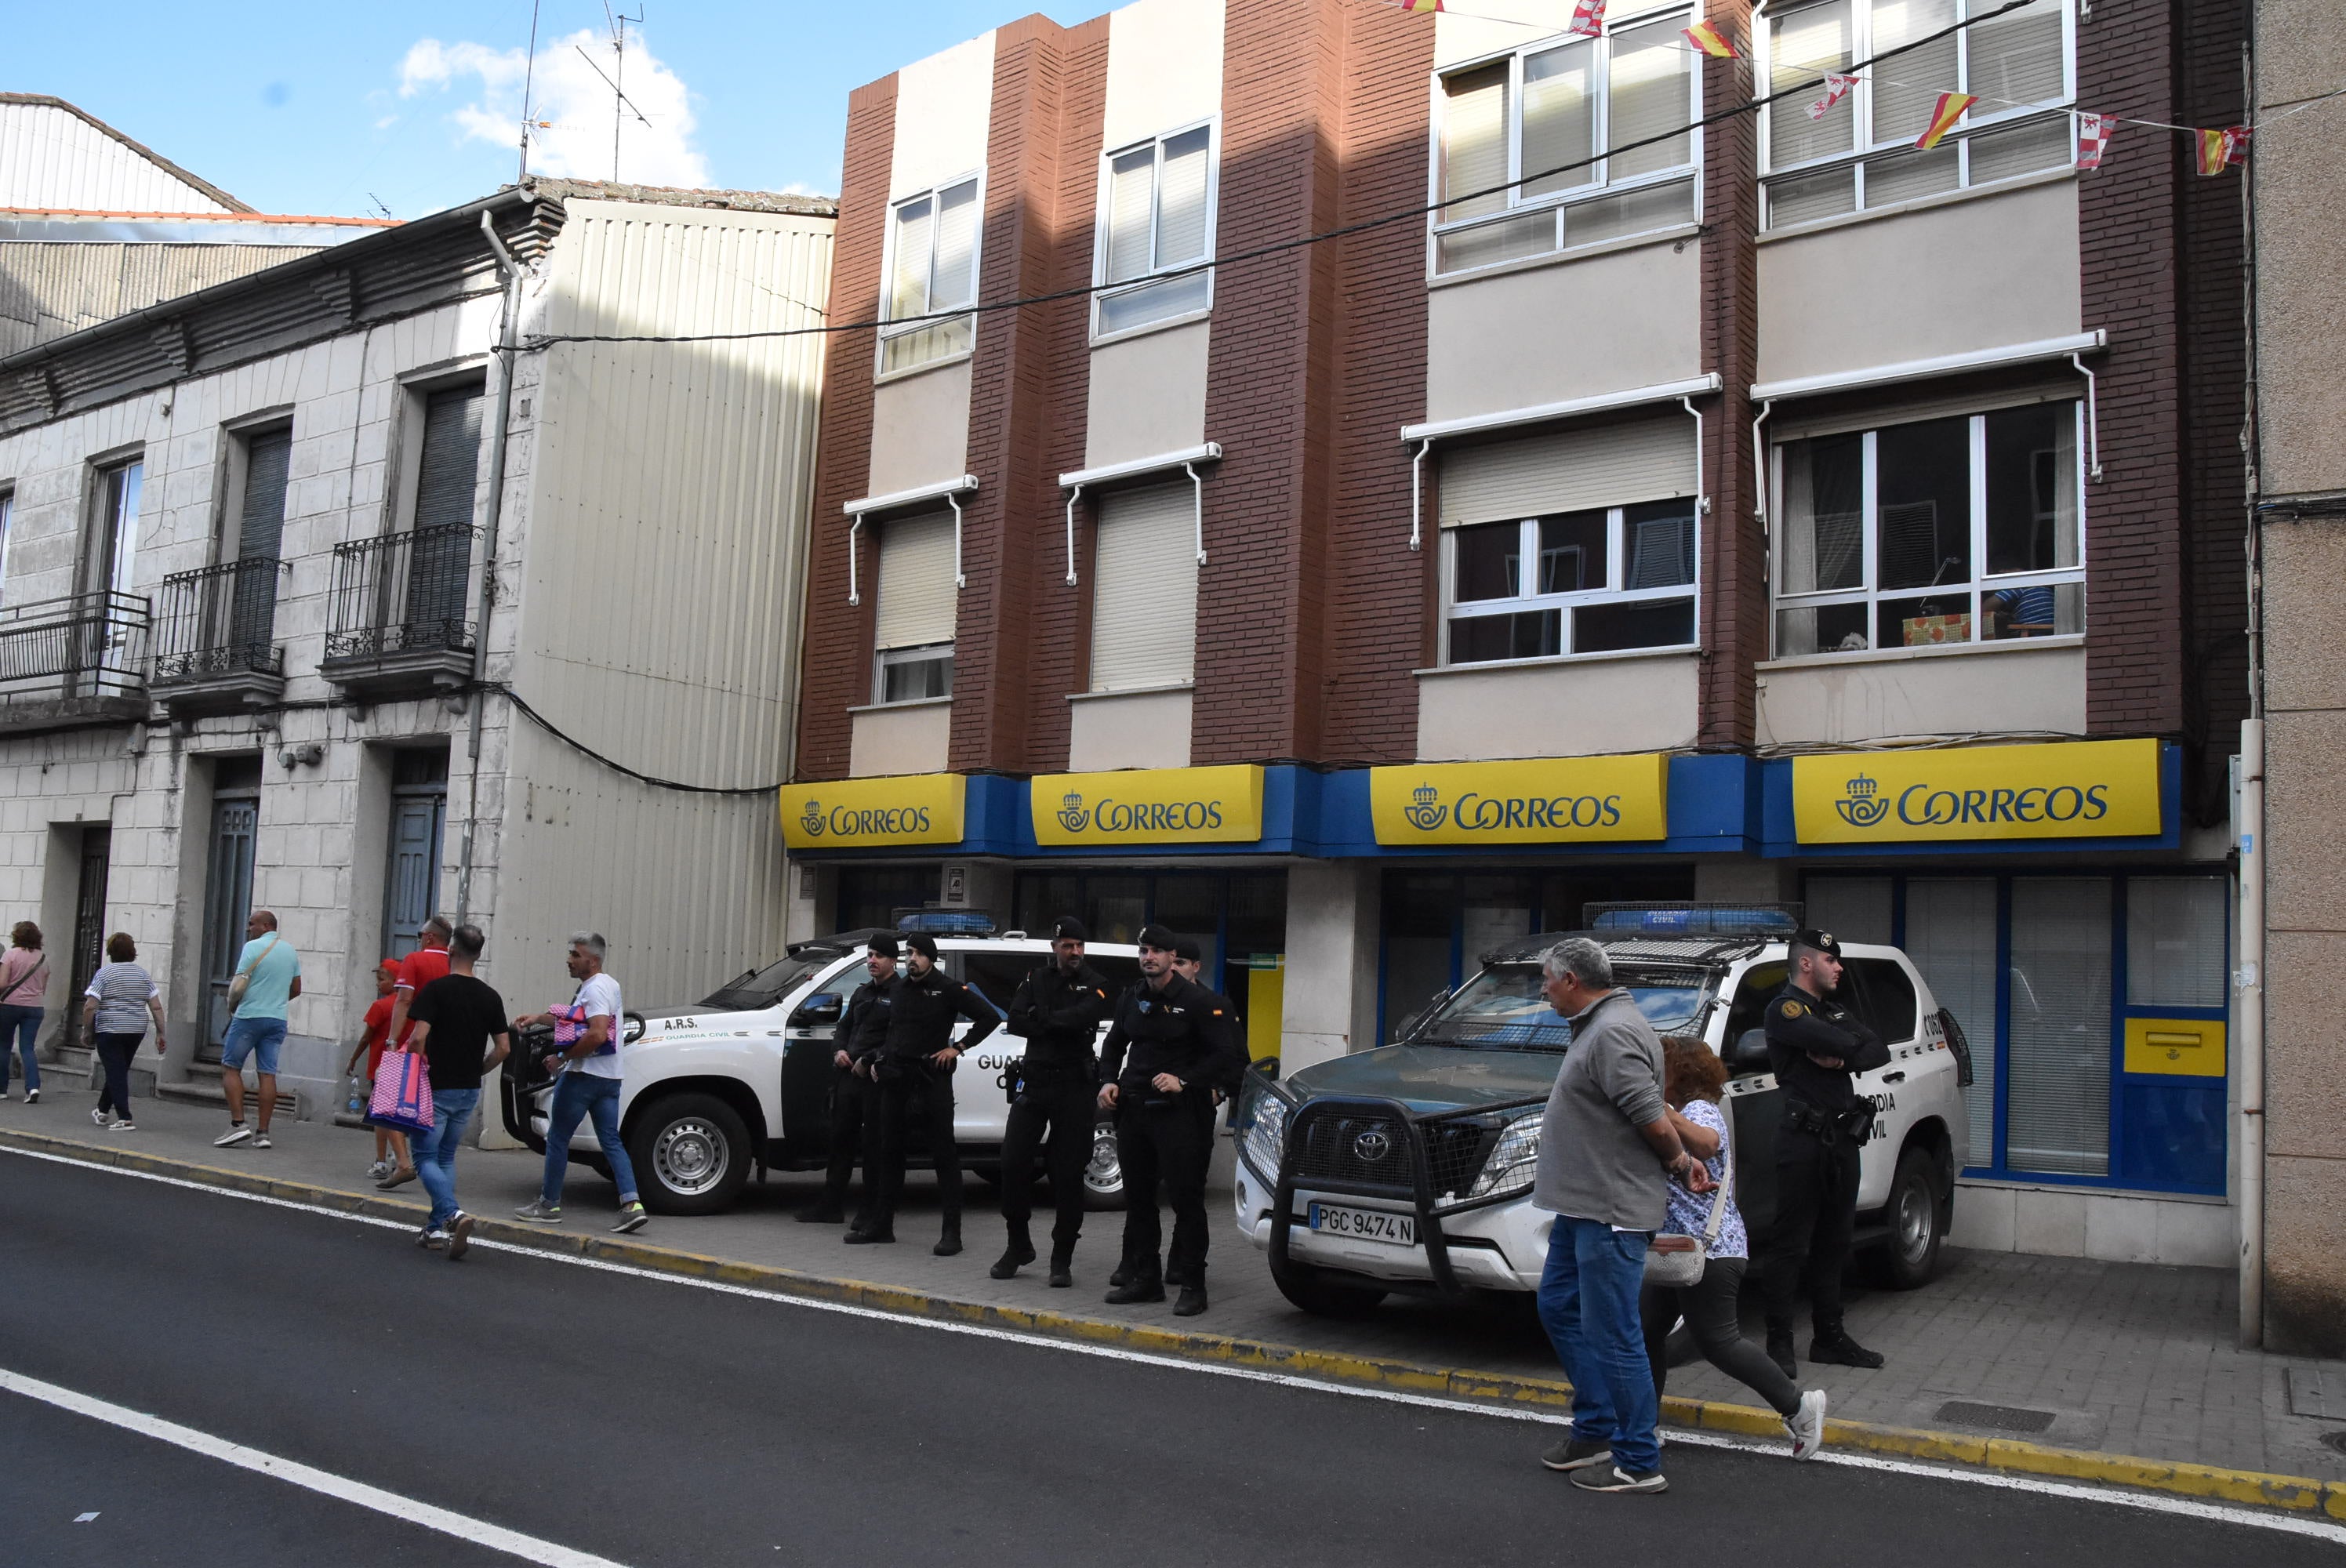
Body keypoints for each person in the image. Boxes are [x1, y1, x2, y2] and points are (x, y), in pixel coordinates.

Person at [1530, 936, 1710, 1496]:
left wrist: (1680, 1161)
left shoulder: (1613, 1032)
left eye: (1546, 979)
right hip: (1582, 1206)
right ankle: (1596, 1429)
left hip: (1611, 1211)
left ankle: (1636, 1458)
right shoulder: (1600, 1025)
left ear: (1572, 981)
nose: (1542, 989)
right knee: (1559, 1306)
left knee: (1614, 1333)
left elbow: (1651, 1117)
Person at [1639, 1036, 1828, 1462]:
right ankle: (1641, 1426)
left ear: (1680, 1075)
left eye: (1660, 1068)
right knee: (1646, 1330)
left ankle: (1800, 1407)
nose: (1653, 1076)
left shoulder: (1699, 1111)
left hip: (1711, 1251)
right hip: (1677, 1250)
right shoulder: (1680, 1113)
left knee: (1719, 1342)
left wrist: (1662, 1111)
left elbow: (1706, 1144)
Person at [1761, 928, 1891, 1377]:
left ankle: (1829, 1338)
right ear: (1805, 963)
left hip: (1842, 1140)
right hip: (1802, 1139)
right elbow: (1852, 1043)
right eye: (1831, 960)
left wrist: (1842, 1057)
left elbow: (1879, 1051)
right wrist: (1845, 1047)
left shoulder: (1833, 1010)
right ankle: (1779, 1341)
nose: (1838, 967)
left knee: (1835, 1241)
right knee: (1790, 1243)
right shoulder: (1785, 1010)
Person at [1097, 924, 1240, 1316]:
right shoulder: (1131, 998)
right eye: (1143, 950)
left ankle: (1193, 1285)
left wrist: (1185, 1079)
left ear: (1172, 959)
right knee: (1140, 1201)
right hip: (1135, 1113)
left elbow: (1226, 1056)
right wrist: (1108, 1080)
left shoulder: (1199, 1002)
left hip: (1180, 1116)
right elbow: (1113, 1045)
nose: (1148, 957)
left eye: (1157, 951)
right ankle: (1146, 1281)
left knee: (1186, 1201)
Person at [850, 931, 998, 1254]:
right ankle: (882, 1225)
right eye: (908, 953)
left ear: (930, 958)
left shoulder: (947, 989)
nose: (911, 959)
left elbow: (989, 1017)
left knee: (944, 1157)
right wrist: (879, 1059)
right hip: (897, 1079)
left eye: (917, 953)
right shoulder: (900, 990)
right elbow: (895, 1032)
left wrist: (957, 1048)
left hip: (931, 1081)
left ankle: (952, 1234)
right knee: (890, 1154)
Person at [994, 918, 1113, 1286]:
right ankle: (1018, 1245)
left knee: (1067, 1174)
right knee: (1012, 1164)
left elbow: (1082, 1019)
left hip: (1074, 1090)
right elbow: (1015, 1021)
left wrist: (1040, 1017)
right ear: (1054, 946)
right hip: (1035, 1086)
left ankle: (1061, 1257)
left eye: (1080, 945)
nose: (1075, 952)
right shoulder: (1035, 979)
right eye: (1068, 945)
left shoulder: (1097, 984)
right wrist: (1051, 1021)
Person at [513, 932, 647, 1233]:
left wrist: (563, 1058)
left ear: (593, 960)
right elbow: (580, 1020)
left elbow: (597, 1033)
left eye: (575, 954)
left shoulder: (595, 989)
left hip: (584, 1077)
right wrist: (539, 1017)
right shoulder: (608, 984)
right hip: (610, 1079)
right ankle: (632, 1205)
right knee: (611, 1140)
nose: (569, 959)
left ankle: (549, 1205)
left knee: (557, 1138)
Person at [401, 924, 510, 1260]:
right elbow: (503, 1048)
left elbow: (418, 1038)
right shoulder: (490, 996)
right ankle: (434, 1230)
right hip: (468, 1088)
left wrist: (413, 1065)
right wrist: (478, 1069)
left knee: (422, 1158)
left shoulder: (436, 991)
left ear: (451, 950)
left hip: (437, 1086)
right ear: (478, 955)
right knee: (446, 1157)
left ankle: (453, 1214)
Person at [796, 936, 897, 1225]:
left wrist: (872, 1058)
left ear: (892, 960)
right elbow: (844, 1026)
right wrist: (839, 1050)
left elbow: (899, 1038)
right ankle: (831, 1205)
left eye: (879, 956)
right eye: (870, 955)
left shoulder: (901, 994)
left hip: (876, 1079)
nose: (872, 961)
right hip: (848, 1077)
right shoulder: (863, 993)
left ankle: (870, 1211)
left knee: (874, 1148)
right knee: (840, 1141)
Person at [372, 917, 452, 1185]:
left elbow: (404, 1000)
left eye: (421, 934)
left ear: (429, 937)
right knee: (435, 1105)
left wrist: (392, 1040)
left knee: (389, 1100)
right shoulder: (454, 962)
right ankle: (435, 1163)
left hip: (415, 1039)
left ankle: (404, 1162)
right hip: (446, 1043)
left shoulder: (415, 960)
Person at [213, 909, 300, 1150]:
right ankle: (263, 1133)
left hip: (249, 1017)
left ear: (265, 925)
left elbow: (239, 983)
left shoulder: (251, 948)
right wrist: (276, 1000)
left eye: (252, 924)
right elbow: (297, 988)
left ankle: (238, 1124)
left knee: (230, 1067)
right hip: (277, 1019)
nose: (248, 928)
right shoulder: (290, 950)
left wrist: (238, 1004)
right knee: (267, 1073)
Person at [82, 933, 166, 1132]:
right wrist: (161, 1033)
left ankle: (124, 1117)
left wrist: (87, 1030)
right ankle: (102, 1110)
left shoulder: (104, 974)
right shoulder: (142, 975)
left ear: (110, 952)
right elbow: (156, 1007)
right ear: (132, 951)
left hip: (110, 1028)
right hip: (136, 1029)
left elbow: (90, 1006)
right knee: (118, 1069)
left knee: (115, 1071)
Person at [341, 959, 409, 1181]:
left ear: (395, 981)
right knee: (399, 1116)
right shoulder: (410, 1006)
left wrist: (353, 1059)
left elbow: (365, 1037)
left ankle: (381, 1161)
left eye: (382, 979)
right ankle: (396, 1156)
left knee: (380, 1118)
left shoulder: (380, 1007)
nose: (378, 984)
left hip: (381, 1068)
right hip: (404, 1067)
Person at [0, 920, 49, 1103]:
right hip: (35, 1007)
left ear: (16, 936)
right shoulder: (43, 958)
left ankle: (2, 1089)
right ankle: (33, 1087)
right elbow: (43, 987)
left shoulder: (9, 955)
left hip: (10, 1005)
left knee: (3, 1046)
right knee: (28, 1047)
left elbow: (3, 983)